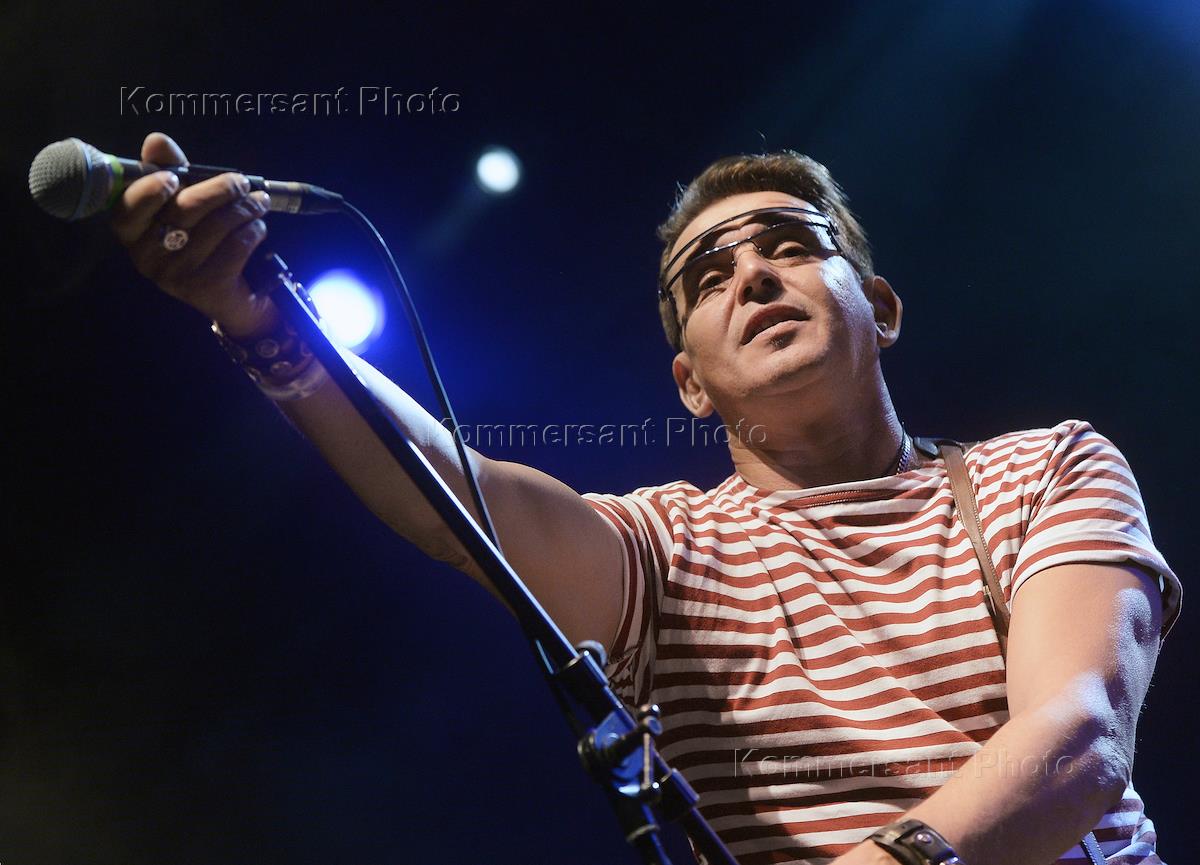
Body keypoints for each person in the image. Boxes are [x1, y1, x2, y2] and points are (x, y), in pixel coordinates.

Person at [112, 133, 1180, 865]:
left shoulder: (1042, 467)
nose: (751, 277)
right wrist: (262, 317)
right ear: (691, 383)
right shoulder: (668, 548)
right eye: (708, 278)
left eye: (790, 246)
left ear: (881, 306)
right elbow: (452, 498)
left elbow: (1078, 742)